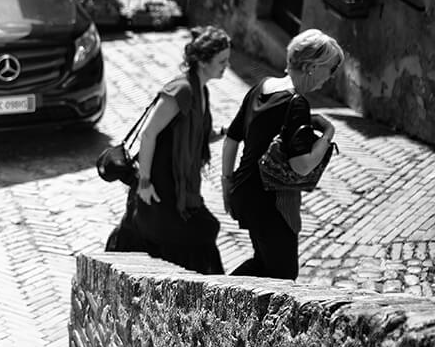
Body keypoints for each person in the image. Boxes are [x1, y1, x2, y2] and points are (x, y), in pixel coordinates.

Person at [105, 26, 232, 274]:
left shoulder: (201, 90)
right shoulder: (181, 89)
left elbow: (199, 137)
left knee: (193, 236)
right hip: (159, 184)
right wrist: (144, 183)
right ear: (203, 61)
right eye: (222, 61)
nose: (226, 66)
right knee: (183, 237)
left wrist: (227, 132)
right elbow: (149, 133)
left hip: (179, 186)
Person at [221, 29, 343, 279]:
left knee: (264, 264)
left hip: (244, 191)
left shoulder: (261, 87)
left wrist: (227, 183)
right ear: (311, 66)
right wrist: (328, 133)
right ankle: (211, 298)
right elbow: (302, 166)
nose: (329, 78)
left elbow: (232, 139)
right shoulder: (296, 102)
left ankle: (213, 300)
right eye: (329, 69)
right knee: (284, 275)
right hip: (272, 203)